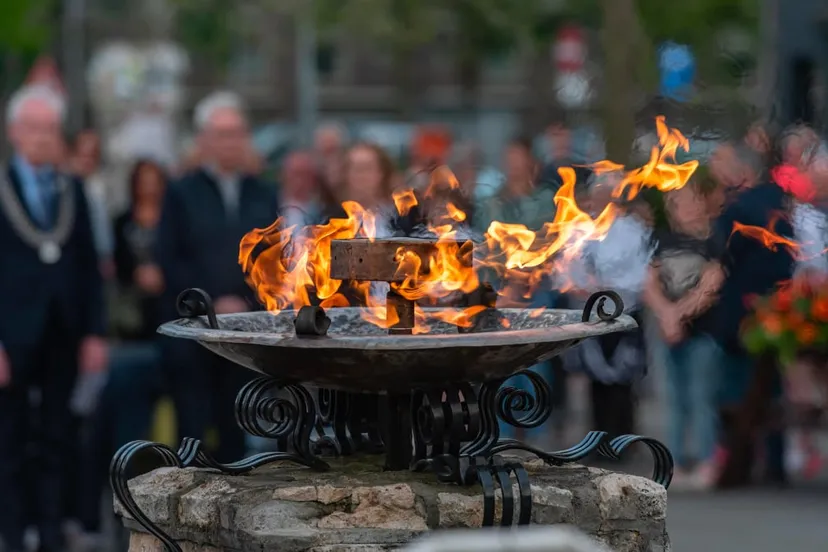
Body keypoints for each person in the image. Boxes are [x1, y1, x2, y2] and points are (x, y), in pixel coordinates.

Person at [0, 85, 107, 552]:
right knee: (10, 438)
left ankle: (49, 533)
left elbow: (90, 266)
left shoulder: (72, 189)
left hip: (63, 331)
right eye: (33, 128)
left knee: (56, 436)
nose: (43, 137)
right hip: (11, 336)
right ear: (14, 132)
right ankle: (12, 532)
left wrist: (95, 332)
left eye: (49, 128)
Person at [155, 91, 280, 463]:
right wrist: (210, 302)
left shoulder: (263, 192)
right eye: (222, 134)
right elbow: (169, 258)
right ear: (204, 139)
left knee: (238, 428)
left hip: (244, 331)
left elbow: (272, 259)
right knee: (192, 431)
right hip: (194, 331)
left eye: (237, 133)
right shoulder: (181, 193)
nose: (230, 142)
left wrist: (244, 304)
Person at [706, 143, 795, 487]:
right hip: (777, 313)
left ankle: (737, 465)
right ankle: (775, 464)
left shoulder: (739, 210)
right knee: (770, 389)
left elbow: (720, 263)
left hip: (739, 317)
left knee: (733, 392)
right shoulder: (781, 203)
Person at [643, 182, 724, 489]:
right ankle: (672, 463)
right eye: (677, 204)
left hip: (702, 333)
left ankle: (707, 461)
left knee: (701, 398)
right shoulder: (660, 240)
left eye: (690, 202)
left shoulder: (712, 240)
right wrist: (666, 315)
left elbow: (711, 284)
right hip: (668, 332)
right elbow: (648, 282)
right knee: (673, 400)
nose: (685, 209)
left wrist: (678, 315)